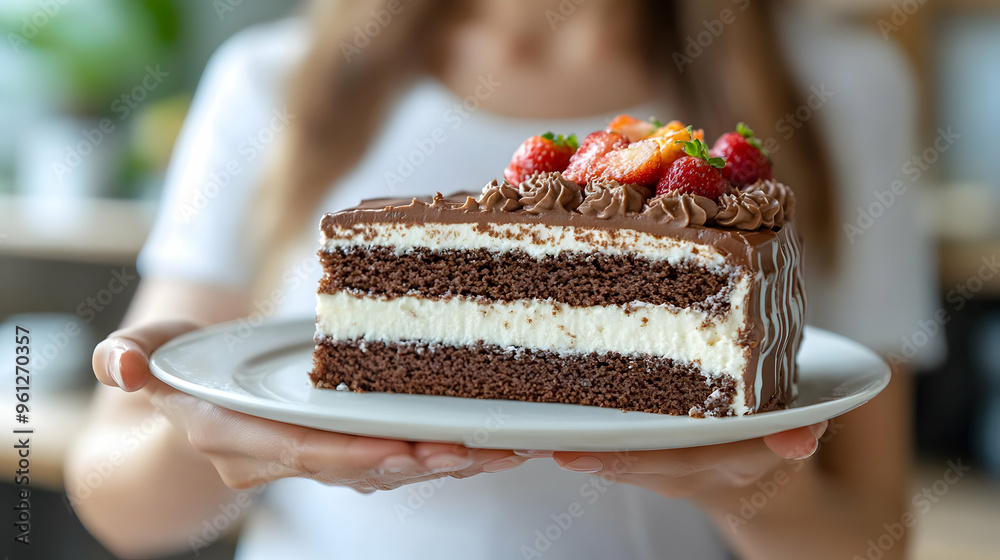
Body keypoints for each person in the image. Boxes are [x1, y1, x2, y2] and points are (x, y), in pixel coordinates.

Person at [67, 0, 939, 558]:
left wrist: (754, 490)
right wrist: (216, 440)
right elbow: (119, 502)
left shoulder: (841, 85)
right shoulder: (278, 82)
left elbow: (875, 539)